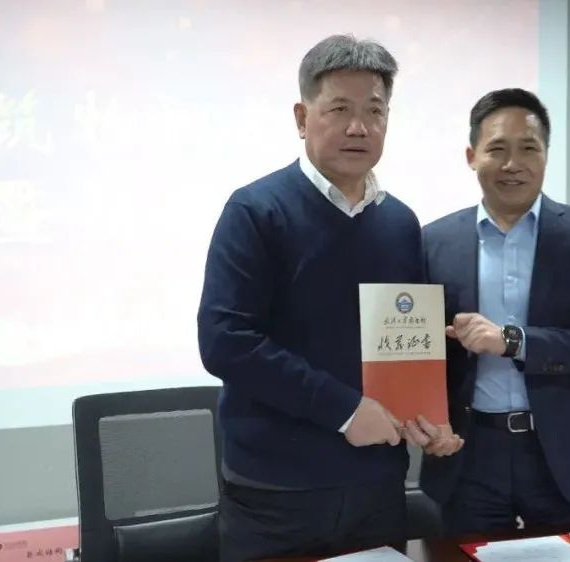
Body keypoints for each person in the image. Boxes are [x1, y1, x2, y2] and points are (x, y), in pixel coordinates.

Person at [197, 34, 452, 561]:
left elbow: (404, 343)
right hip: (277, 492)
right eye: (340, 109)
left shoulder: (400, 223)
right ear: (301, 117)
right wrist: (345, 410)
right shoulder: (255, 211)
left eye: (374, 111)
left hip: (377, 486)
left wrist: (428, 415)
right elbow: (226, 341)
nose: (359, 127)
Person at [418, 88, 570, 536]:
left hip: (562, 451)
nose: (512, 164)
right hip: (469, 453)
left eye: (528, 148)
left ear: (546, 156)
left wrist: (513, 341)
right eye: (497, 149)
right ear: (472, 156)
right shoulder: (434, 240)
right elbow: (420, 351)